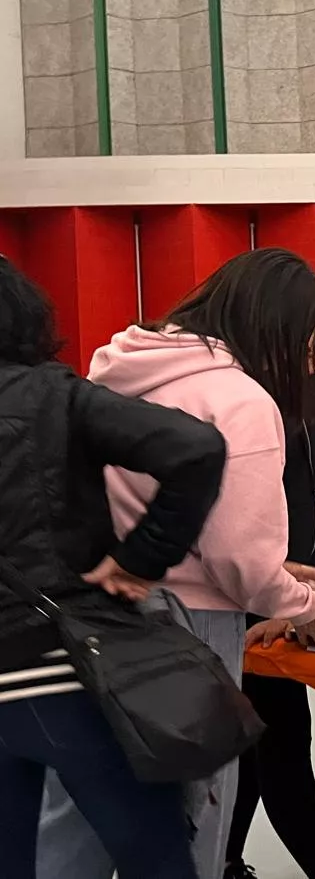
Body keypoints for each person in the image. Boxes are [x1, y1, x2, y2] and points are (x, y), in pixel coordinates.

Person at [37, 248, 315, 879]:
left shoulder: (117, 371)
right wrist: (303, 604)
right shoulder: (239, 401)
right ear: (275, 324)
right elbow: (237, 560)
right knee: (190, 817)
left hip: (85, 618)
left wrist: (277, 571)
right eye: (314, 328)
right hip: (188, 632)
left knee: (78, 814)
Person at [0, 256, 226, 879]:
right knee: (154, 857)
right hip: (57, 665)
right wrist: (140, 559)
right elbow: (196, 448)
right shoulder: (51, 396)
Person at [225, 366, 315, 879]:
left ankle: (225, 859)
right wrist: (284, 600)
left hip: (305, 590)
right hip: (256, 599)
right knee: (277, 735)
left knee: (255, 737)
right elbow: (240, 523)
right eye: (313, 330)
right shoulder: (241, 392)